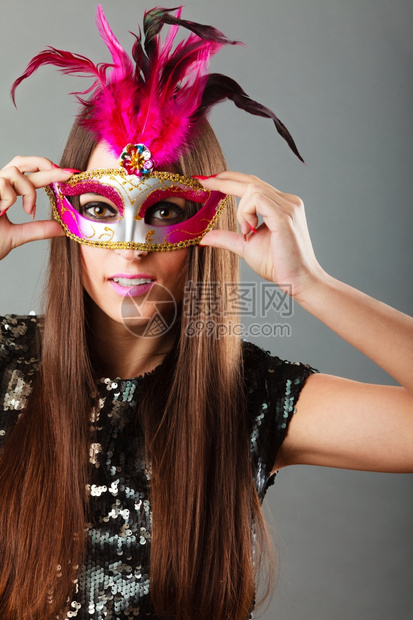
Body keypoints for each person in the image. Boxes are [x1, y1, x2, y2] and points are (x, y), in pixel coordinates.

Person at [0, 6, 412, 620]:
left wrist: (310, 283)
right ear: (65, 216)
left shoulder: (248, 395)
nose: (133, 243)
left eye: (165, 210)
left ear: (211, 220)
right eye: (102, 209)